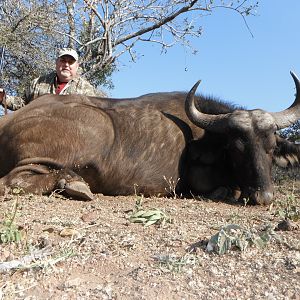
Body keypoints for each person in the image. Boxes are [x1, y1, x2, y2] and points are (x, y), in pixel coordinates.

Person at [0, 48, 106, 111]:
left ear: (77, 66)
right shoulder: (38, 83)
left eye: (70, 62)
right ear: (56, 63)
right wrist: (3, 98)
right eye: (63, 60)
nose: (66, 65)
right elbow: (22, 104)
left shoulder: (87, 90)